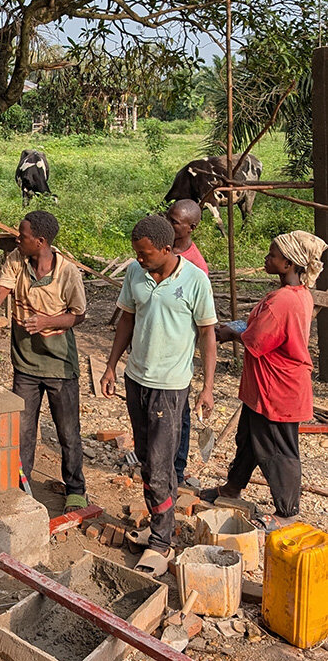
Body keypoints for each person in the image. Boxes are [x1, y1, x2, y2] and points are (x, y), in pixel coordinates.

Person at [102, 215, 216, 575]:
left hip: (170, 387)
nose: (138, 259)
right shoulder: (136, 274)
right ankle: (157, 524)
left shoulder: (195, 281)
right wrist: (110, 366)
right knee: (146, 459)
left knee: (161, 464)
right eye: (136, 253)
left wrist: (207, 388)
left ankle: (161, 545)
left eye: (145, 254)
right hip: (137, 380)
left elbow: (208, 335)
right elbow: (127, 320)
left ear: (167, 249)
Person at [202, 231, 327, 530]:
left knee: (277, 450)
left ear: (288, 263)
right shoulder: (298, 295)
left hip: (277, 389)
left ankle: (287, 512)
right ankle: (232, 487)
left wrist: (231, 332)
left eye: (272, 255)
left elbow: (257, 340)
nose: (266, 259)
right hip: (266, 387)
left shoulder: (282, 300)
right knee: (248, 440)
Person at [0, 210, 88, 510]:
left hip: (60, 367)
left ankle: (75, 489)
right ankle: (22, 487)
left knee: (68, 432)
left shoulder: (67, 272)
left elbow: (79, 315)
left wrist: (49, 320)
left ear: (41, 241)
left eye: (23, 236)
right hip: (25, 366)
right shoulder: (16, 261)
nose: (18, 239)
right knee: (22, 433)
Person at [166, 199, 209, 490]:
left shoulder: (196, 266)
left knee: (179, 414)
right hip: (153, 352)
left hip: (178, 354)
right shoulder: (160, 251)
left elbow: (204, 324)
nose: (169, 224)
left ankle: (177, 470)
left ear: (192, 227)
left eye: (175, 221)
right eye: (168, 218)